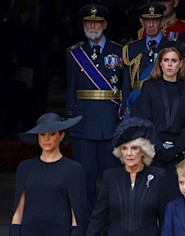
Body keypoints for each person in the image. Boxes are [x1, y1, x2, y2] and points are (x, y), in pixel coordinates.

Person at [66, 3, 123, 213]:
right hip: (84, 126)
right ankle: (87, 225)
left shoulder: (119, 51)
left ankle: (110, 225)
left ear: (105, 24)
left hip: (111, 124)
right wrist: (71, 122)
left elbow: (123, 90)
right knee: (85, 180)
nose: (92, 25)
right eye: (88, 22)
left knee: (112, 180)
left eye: (97, 22)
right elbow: (71, 90)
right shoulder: (74, 53)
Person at [9, 113, 88, 236]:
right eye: (42, 134)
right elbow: (19, 209)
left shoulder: (73, 169)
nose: (46, 139)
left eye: (52, 134)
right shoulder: (25, 168)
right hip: (29, 231)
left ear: (61, 136)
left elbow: (76, 211)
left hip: (60, 231)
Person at [87, 117, 167, 236]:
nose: (129, 154)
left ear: (143, 151)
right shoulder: (110, 176)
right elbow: (98, 217)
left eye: (134, 148)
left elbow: (165, 218)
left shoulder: (158, 176)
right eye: (124, 148)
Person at [138, 47, 185, 200]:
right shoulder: (149, 87)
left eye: (174, 60)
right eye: (166, 60)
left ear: (180, 64)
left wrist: (177, 148)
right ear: (160, 63)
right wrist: (158, 147)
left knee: (177, 197)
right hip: (154, 149)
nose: (170, 64)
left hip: (180, 151)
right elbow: (145, 121)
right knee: (153, 198)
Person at [122, 2, 175, 118]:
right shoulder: (131, 49)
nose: (151, 25)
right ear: (142, 22)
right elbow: (126, 85)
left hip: (163, 107)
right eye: (147, 20)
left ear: (162, 22)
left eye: (155, 20)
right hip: (137, 106)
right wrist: (125, 108)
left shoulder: (172, 48)